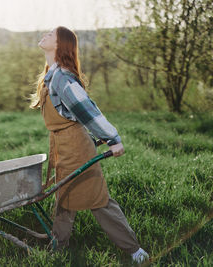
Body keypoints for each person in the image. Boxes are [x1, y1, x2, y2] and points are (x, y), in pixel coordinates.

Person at [31, 26, 149, 264]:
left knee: (98, 200)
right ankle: (59, 246)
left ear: (60, 44)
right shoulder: (51, 75)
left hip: (76, 146)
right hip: (62, 145)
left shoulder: (62, 78)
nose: (46, 34)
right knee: (63, 197)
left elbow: (88, 112)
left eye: (52, 34)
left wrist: (113, 140)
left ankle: (135, 251)